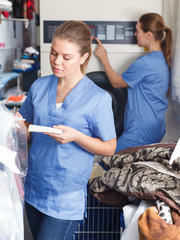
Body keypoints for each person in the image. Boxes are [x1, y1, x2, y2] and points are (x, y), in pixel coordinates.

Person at [16, 20, 116, 240]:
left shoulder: (98, 98)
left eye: (66, 57)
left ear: (84, 57)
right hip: (34, 187)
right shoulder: (39, 86)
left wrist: (77, 137)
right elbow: (27, 129)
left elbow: (109, 147)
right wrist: (14, 124)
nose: (56, 62)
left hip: (65, 197)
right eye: (53, 53)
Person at [95, 12, 172, 152]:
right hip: (156, 129)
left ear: (148, 34)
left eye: (137, 31)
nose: (135, 34)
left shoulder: (145, 63)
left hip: (139, 133)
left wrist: (104, 58)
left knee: (107, 160)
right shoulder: (164, 60)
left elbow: (116, 83)